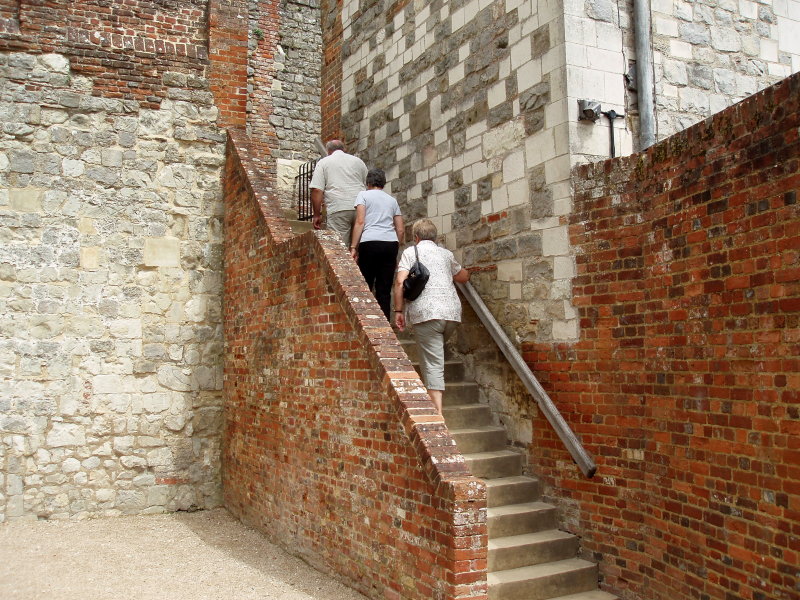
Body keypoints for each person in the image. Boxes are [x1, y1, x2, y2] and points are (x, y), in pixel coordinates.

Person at [393, 219, 470, 413]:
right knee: (435, 356)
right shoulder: (446, 254)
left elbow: (400, 283)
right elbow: (463, 276)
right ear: (435, 237)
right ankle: (435, 406)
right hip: (451, 313)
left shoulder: (411, 252)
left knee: (433, 363)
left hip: (427, 313)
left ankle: (437, 415)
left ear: (416, 237)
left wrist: (399, 311)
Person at [350, 169, 404, 321]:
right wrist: (395, 247)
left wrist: (354, 247)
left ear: (368, 183)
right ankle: (385, 324)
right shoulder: (392, 200)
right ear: (383, 183)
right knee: (384, 289)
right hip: (390, 243)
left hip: (370, 242)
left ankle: (365, 321)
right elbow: (400, 229)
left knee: (366, 284)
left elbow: (360, 221)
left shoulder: (363, 195)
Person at [310, 139, 368, 247]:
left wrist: (317, 215)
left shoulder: (324, 162)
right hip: (360, 208)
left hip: (338, 208)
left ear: (328, 151)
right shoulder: (359, 162)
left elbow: (317, 190)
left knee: (339, 248)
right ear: (344, 149)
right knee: (358, 248)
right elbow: (368, 185)